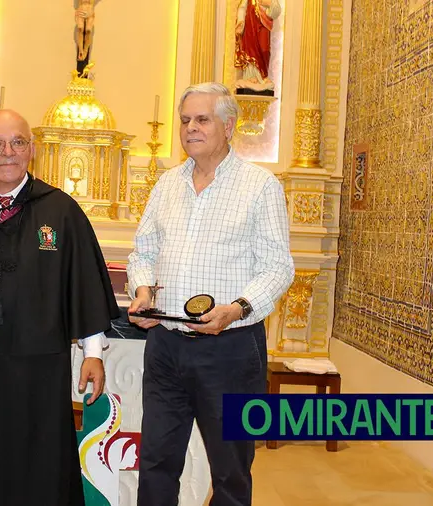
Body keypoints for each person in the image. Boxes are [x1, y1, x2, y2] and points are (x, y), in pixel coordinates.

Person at [0, 109, 119, 506]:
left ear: (31, 149)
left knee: (35, 458)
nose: (7, 152)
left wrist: (93, 354)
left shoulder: (60, 211)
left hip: (36, 363)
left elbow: (82, 282)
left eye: (17, 142)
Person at [127, 82, 294, 506]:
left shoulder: (260, 186)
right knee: (157, 461)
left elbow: (278, 266)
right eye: (185, 120)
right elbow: (143, 251)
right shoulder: (166, 184)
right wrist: (143, 290)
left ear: (229, 126)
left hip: (231, 350)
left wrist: (237, 309)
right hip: (165, 346)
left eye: (202, 119)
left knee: (231, 470)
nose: (190, 128)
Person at [234, 0, 282, 93]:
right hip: (249, 28)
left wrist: (269, 4)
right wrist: (240, 22)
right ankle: (251, 77)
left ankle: (262, 76)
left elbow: (276, 10)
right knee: (250, 51)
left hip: (263, 26)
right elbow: (242, 7)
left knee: (264, 50)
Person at [74, 0, 100, 76]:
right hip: (81, 11)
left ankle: (85, 50)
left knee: (88, 30)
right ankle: (81, 50)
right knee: (80, 28)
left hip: (90, 12)